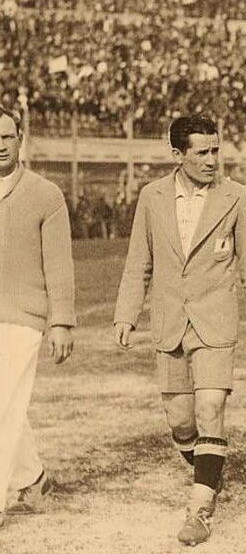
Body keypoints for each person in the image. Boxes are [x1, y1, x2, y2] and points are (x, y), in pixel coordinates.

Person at [113, 115, 246, 546]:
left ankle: (200, 510)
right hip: (169, 323)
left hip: (216, 322)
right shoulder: (151, 196)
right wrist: (126, 314)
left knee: (210, 410)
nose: (212, 160)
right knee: (182, 422)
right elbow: (137, 262)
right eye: (202, 152)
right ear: (178, 155)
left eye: (216, 150)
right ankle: (207, 468)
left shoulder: (238, 198)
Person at [0, 105, 75, 529]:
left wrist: (61, 321)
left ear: (19, 139)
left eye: (6, 137)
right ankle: (33, 477)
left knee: (2, 404)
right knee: (6, 406)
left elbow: (60, 263)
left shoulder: (45, 194)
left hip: (23, 317)